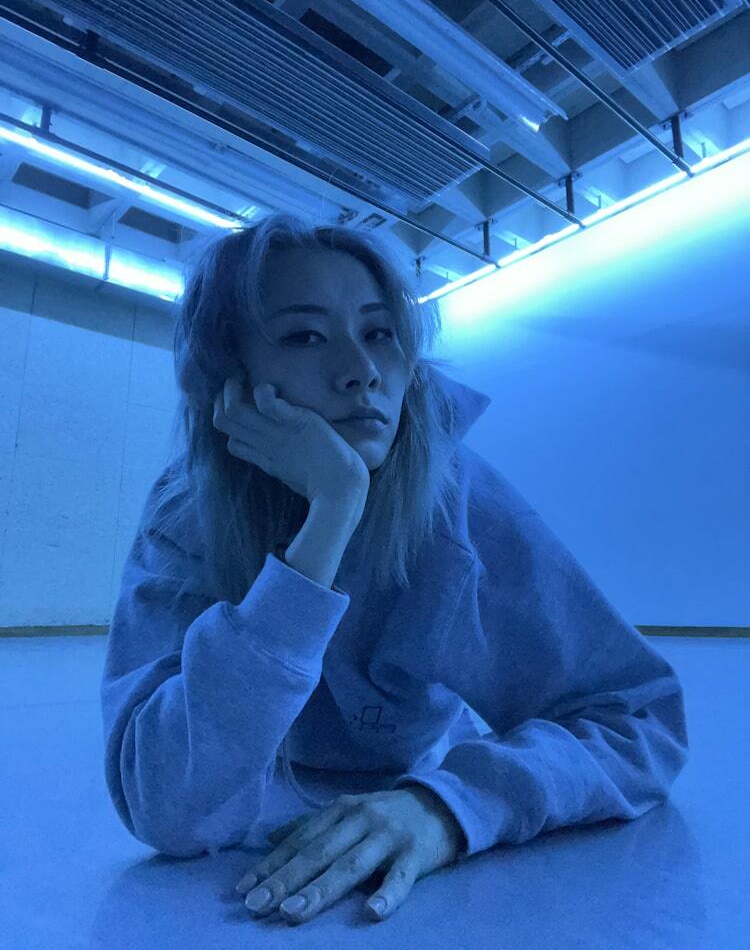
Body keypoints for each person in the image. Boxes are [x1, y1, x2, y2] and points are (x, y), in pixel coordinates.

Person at [100, 213, 689, 884]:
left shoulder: (456, 503)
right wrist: (331, 514)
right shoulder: (187, 512)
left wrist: (448, 805)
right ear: (228, 375)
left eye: (380, 333)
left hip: (414, 768)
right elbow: (166, 808)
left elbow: (639, 720)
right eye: (305, 335)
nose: (361, 371)